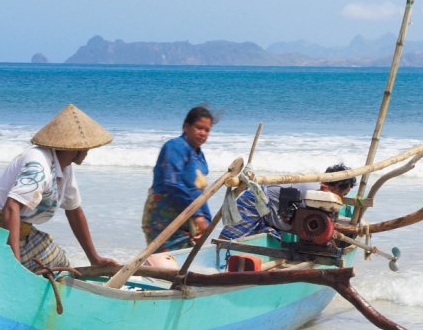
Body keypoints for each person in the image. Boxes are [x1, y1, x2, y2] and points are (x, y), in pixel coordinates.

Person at [0, 103, 120, 330]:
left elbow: (74, 211)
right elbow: (12, 207)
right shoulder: (39, 165)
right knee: (11, 299)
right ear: (74, 148)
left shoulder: (63, 167)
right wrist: (12, 261)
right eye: (86, 147)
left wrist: (94, 258)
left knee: (64, 270)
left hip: (23, 230)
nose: (88, 152)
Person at [141, 105, 216, 251]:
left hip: (186, 221)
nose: (203, 133)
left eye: (207, 130)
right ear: (185, 127)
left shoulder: (200, 157)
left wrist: (206, 221)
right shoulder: (174, 147)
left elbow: (199, 194)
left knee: (183, 264)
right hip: (163, 220)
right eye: (199, 128)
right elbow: (172, 184)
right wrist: (197, 215)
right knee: (165, 264)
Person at [219, 163, 356, 240]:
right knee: (228, 239)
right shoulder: (314, 193)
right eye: (342, 194)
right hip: (255, 202)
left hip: (271, 216)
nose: (341, 199)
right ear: (332, 186)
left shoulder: (321, 195)